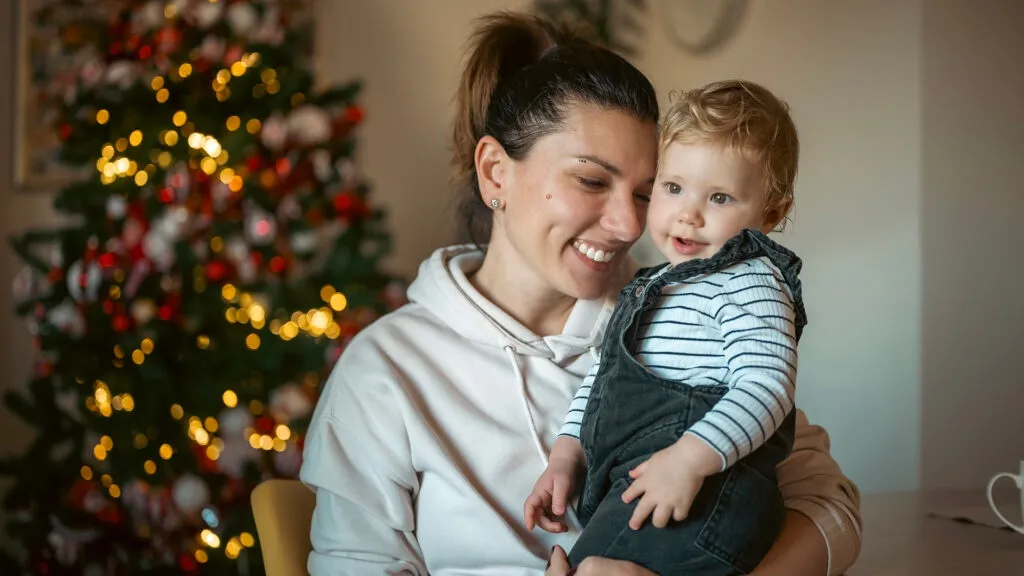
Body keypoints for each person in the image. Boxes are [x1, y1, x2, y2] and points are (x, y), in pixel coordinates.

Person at [299, 11, 861, 576]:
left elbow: (831, 511)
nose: (626, 225)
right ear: (496, 173)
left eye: (645, 194)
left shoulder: (673, 315)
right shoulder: (386, 371)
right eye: (591, 180)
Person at [525, 80, 808, 575]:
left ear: (772, 212)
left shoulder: (749, 281)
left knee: (589, 569)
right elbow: (605, 380)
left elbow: (768, 387)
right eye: (673, 188)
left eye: (719, 197)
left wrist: (689, 460)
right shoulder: (657, 285)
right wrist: (566, 455)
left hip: (713, 487)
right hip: (652, 477)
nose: (688, 214)